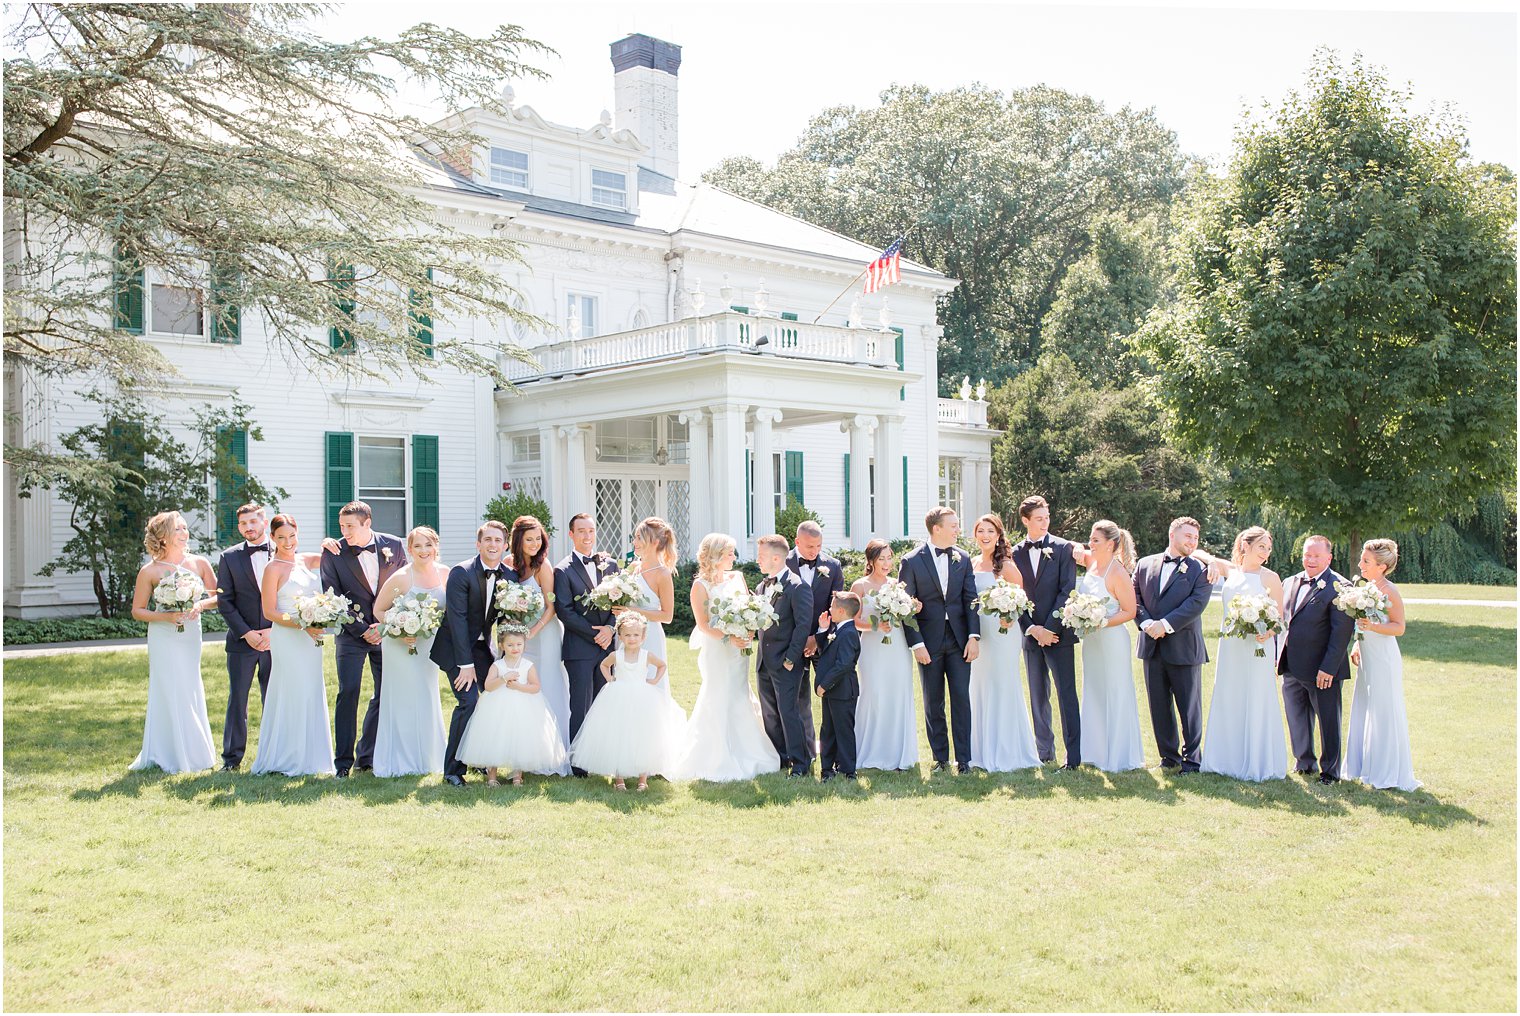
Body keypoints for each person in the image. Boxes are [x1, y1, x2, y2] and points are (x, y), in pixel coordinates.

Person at [668, 534, 781, 782]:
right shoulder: (700, 586)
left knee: (740, 693)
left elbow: (747, 610)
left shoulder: (737, 577)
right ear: (716, 556)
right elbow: (703, 624)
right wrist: (728, 638)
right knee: (719, 694)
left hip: (739, 650)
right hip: (718, 650)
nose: (734, 557)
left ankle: (749, 750)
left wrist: (749, 629)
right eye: (730, 553)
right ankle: (715, 756)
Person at [318, 500, 407, 777]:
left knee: (385, 693)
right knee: (348, 693)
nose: (345, 531)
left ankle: (367, 755)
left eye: (350, 526)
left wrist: (383, 626)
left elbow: (403, 588)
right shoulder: (333, 553)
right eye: (341, 526)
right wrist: (361, 629)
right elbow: (332, 596)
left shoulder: (393, 545)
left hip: (386, 633)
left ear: (367, 523)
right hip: (350, 635)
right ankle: (342, 763)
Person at [128, 510, 218, 773]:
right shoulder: (150, 571)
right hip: (164, 636)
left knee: (189, 685)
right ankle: (165, 751)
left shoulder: (200, 563)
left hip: (191, 633)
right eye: (177, 529)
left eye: (184, 528)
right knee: (167, 687)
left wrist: (200, 604)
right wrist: (165, 617)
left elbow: (219, 596)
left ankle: (196, 752)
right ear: (163, 537)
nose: (183, 533)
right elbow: (137, 610)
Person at [1200, 527, 1288, 782]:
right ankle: (1226, 758)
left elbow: (1280, 620)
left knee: (1256, 697)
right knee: (1230, 695)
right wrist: (1210, 563)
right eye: (1261, 546)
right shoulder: (1231, 571)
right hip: (1231, 648)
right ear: (1245, 545)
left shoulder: (1270, 578)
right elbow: (1198, 552)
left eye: (1268, 548)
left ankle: (1256, 759)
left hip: (1257, 647)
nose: (1266, 552)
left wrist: (1267, 633)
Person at [251, 514, 335, 777]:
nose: (288, 542)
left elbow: (334, 557)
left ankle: (313, 755)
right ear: (273, 539)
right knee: (291, 690)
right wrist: (304, 624)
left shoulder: (305, 560)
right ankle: (287, 755)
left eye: (292, 536)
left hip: (312, 640)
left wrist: (330, 542)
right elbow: (270, 612)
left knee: (310, 689)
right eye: (281, 538)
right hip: (289, 637)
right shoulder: (272, 568)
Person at [901, 506, 981, 773]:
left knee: (961, 698)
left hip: (959, 640)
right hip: (928, 642)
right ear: (937, 528)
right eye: (954, 525)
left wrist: (973, 636)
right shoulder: (911, 561)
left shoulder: (964, 558)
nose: (958, 529)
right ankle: (941, 759)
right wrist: (917, 643)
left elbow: (971, 600)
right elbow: (905, 607)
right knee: (933, 701)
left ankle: (965, 760)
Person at [1132, 516, 1214, 774]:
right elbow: (1134, 597)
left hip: (1184, 647)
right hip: (1151, 645)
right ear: (1172, 535)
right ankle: (1168, 756)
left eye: (1195, 538)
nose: (1192, 541)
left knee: (1189, 707)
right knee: (1158, 705)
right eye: (1187, 536)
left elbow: (1195, 605)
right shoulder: (1144, 564)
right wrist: (1146, 624)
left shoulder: (1200, 570)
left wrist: (1164, 624)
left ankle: (1192, 760)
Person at [433, 520, 511, 787]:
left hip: (481, 647)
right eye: (487, 540)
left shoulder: (508, 577)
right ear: (478, 544)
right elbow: (457, 620)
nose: (492, 545)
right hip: (456, 647)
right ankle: (452, 769)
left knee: (492, 699)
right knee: (468, 701)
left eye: (497, 540)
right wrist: (465, 664)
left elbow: (507, 619)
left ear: (505, 545)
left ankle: (478, 758)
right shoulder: (461, 572)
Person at [570, 613, 681, 790]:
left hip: (642, 699)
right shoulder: (617, 655)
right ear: (620, 636)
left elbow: (662, 665)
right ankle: (619, 779)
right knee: (619, 734)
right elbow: (603, 665)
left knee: (642, 735)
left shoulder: (646, 655)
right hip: (619, 697)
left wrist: (653, 681)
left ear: (643, 637)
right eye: (627, 635)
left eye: (636, 635)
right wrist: (610, 679)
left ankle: (642, 779)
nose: (632, 639)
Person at [370, 526, 448, 777]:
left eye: (428, 545)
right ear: (409, 549)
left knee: (426, 696)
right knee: (403, 700)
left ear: (436, 546)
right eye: (417, 546)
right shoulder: (402, 577)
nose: (423, 550)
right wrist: (400, 628)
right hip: (402, 646)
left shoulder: (446, 574)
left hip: (429, 646)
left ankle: (429, 757)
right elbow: (379, 611)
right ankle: (400, 759)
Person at [1010, 495, 1080, 770]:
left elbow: (1067, 590)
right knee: (1038, 695)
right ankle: (1044, 752)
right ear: (1025, 521)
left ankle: (1072, 757)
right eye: (1038, 519)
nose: (1044, 522)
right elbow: (1014, 595)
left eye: (1046, 518)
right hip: (1030, 634)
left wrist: (1049, 628)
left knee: (1066, 694)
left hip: (1058, 634)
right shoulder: (1014, 553)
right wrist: (1032, 629)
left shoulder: (1064, 549)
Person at [1277, 535, 1354, 784]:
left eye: (1316, 556)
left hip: (1322, 669)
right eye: (1307, 555)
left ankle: (1330, 771)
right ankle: (1304, 762)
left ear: (1328, 558)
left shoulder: (1340, 587)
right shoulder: (1291, 582)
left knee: (1328, 721)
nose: (1310, 560)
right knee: (1296, 717)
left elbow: (1341, 634)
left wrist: (1328, 669)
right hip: (1291, 665)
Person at [968, 514, 1041, 772]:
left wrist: (1009, 617)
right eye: (980, 531)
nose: (985, 535)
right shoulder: (971, 563)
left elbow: (1020, 600)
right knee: (980, 686)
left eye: (990, 531)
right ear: (975, 535)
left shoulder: (1006, 566)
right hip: (979, 635)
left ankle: (1008, 751)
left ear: (998, 536)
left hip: (1002, 633)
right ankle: (979, 750)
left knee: (1002, 685)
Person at [1344, 539, 1418, 791]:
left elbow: (1399, 627)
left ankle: (1386, 770)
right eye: (1362, 560)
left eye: (1366, 561)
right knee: (1366, 707)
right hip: (1367, 656)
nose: (1360, 564)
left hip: (1384, 659)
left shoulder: (1390, 591)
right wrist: (1357, 643)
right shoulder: (1366, 587)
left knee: (1384, 711)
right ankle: (1364, 766)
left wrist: (1373, 627)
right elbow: (1361, 621)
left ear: (1382, 566)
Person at [456, 624, 568, 787]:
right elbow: (488, 686)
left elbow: (536, 686)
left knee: (519, 738)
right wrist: (503, 678)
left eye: (519, 645)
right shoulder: (497, 665)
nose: (515, 648)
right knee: (495, 737)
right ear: (501, 646)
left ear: (524, 645)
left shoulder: (527, 665)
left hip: (523, 706)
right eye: (510, 645)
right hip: (498, 706)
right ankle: (492, 776)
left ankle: (517, 775)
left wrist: (519, 687)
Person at [1075, 520, 1146, 773]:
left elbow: (1130, 611)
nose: (1090, 544)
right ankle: (1094, 751)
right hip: (1092, 641)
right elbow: (1072, 548)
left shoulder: (1117, 573)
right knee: (1094, 689)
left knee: (1115, 691)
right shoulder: (1091, 562)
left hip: (1112, 638)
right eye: (1090, 539)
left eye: (1095, 540)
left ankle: (1118, 754)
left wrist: (1101, 621)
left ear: (1111, 544)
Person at [553, 513, 621, 775]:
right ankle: (579, 763)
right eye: (581, 531)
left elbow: (621, 601)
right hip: (579, 648)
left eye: (590, 531)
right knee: (580, 705)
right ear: (571, 534)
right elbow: (565, 611)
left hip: (608, 648)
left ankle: (601, 756)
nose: (586, 536)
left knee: (604, 702)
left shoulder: (611, 565)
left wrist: (611, 628)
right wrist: (595, 633)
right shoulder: (563, 569)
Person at [503, 514, 569, 776]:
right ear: (517, 541)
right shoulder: (509, 565)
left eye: (537, 539)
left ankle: (552, 753)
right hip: (518, 637)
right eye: (528, 539)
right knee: (519, 689)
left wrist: (533, 630)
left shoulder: (544, 567)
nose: (534, 544)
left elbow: (551, 606)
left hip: (544, 634)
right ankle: (521, 752)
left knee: (547, 686)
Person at [214, 502, 274, 771]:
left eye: (253, 521)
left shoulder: (282, 552)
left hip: (276, 640)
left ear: (263, 522)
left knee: (273, 698)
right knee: (237, 700)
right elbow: (225, 601)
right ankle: (231, 759)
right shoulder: (229, 557)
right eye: (243, 523)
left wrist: (275, 631)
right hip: (242, 642)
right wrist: (247, 634)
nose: (248, 527)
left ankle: (274, 754)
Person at [850, 540, 918, 771]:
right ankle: (871, 750)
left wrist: (912, 608)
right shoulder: (859, 586)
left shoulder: (897, 585)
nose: (887, 563)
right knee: (874, 695)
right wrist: (876, 626)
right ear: (871, 561)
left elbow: (906, 617)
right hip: (872, 647)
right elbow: (855, 621)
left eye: (890, 558)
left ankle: (897, 752)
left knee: (898, 694)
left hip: (897, 647)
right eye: (882, 559)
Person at [754, 533, 815, 777]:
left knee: (789, 712)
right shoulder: (761, 586)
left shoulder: (797, 586)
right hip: (763, 662)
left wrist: (791, 659)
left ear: (777, 557)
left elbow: (803, 626)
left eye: (761, 556)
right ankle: (779, 758)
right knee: (770, 712)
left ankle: (801, 763)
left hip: (786, 662)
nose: (758, 561)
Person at [788, 520, 844, 765]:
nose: (814, 551)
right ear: (797, 542)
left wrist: (816, 636)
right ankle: (806, 751)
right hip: (792, 642)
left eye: (818, 546)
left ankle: (834, 752)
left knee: (831, 695)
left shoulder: (832, 566)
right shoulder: (783, 563)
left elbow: (837, 606)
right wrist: (801, 639)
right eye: (809, 546)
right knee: (798, 699)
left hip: (824, 640)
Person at [813, 592, 863, 781]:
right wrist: (822, 630)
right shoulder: (837, 629)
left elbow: (844, 664)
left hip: (842, 692)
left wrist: (825, 684)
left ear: (841, 611)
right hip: (832, 692)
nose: (830, 609)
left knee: (844, 731)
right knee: (828, 730)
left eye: (832, 607)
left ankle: (848, 770)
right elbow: (824, 650)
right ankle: (827, 768)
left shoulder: (849, 633)